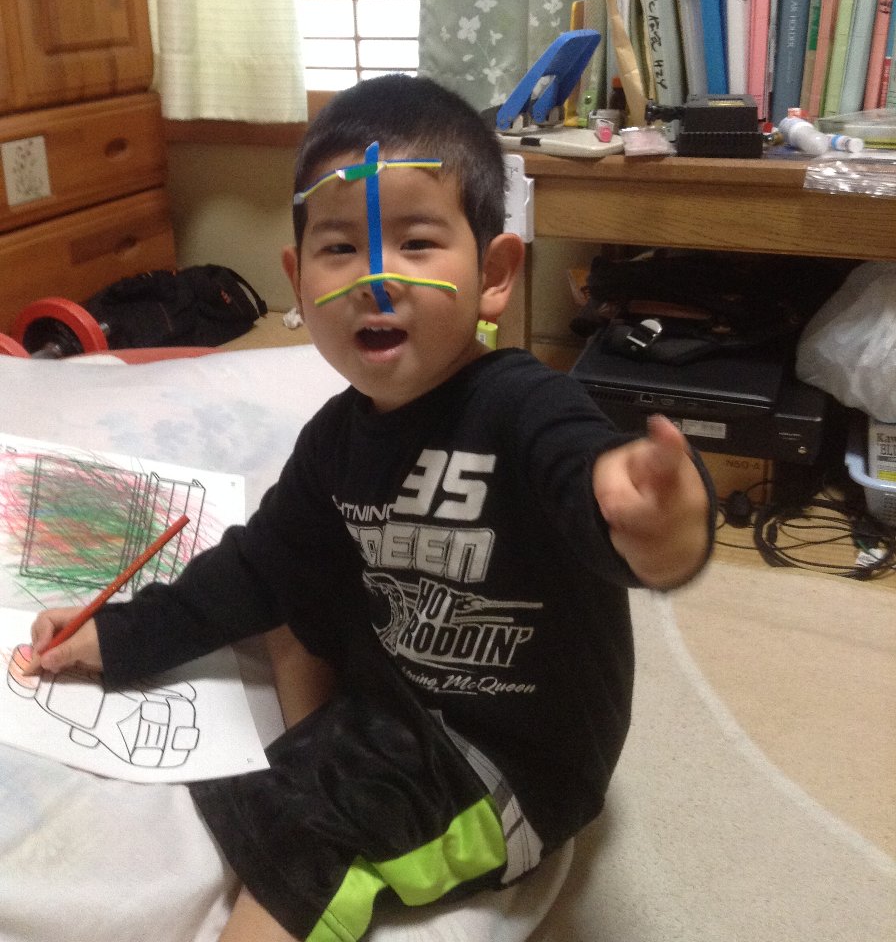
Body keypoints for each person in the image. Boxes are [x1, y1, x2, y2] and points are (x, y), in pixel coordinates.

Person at [26, 74, 715, 942]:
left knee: (296, 837)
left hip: (503, 757)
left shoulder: (525, 406)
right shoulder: (334, 441)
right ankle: (324, 747)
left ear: (494, 275)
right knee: (286, 584)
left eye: (417, 242)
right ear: (297, 282)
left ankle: (318, 826)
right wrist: (114, 636)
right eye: (341, 247)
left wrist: (658, 525)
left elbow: (596, 494)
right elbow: (253, 569)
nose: (376, 279)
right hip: (397, 695)